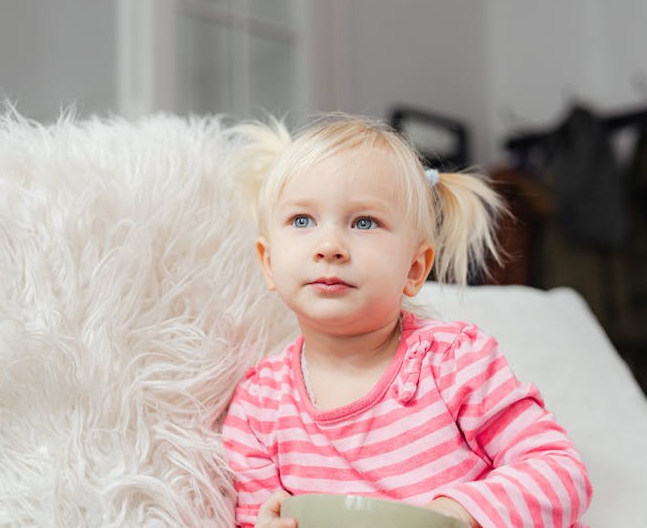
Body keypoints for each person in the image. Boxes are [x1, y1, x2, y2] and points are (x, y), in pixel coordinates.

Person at [221, 114, 592, 528]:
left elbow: (562, 474)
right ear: (269, 264)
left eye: (364, 222)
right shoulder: (258, 406)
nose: (329, 246)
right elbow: (254, 517)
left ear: (415, 270)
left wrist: (458, 512)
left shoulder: (455, 363)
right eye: (302, 221)